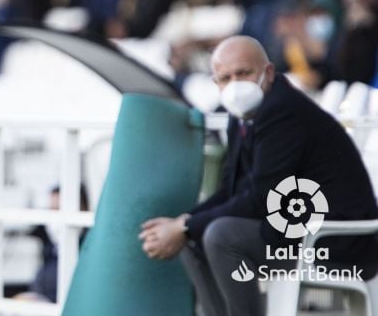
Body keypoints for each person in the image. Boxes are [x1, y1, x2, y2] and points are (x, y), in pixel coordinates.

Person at [139, 35, 378, 316]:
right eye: (226, 78)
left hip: (335, 242)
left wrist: (184, 226)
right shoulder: (241, 114)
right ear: (216, 84)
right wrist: (184, 225)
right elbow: (230, 190)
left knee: (221, 235)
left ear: (268, 72)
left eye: (244, 73)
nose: (236, 85)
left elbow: (262, 200)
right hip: (296, 230)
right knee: (196, 236)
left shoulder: (282, 109)